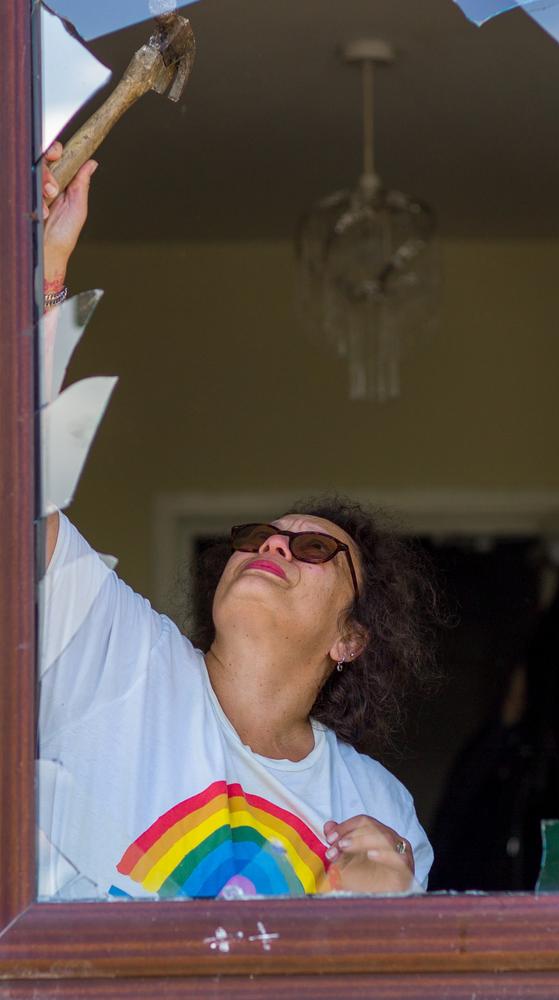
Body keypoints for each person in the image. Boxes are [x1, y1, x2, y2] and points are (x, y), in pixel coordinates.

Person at [38, 143, 437, 899]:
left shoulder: (381, 813)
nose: (275, 543)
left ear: (351, 638)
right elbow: (17, 488)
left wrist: (371, 925)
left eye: (316, 548)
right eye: (258, 536)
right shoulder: (118, 660)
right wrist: (41, 276)